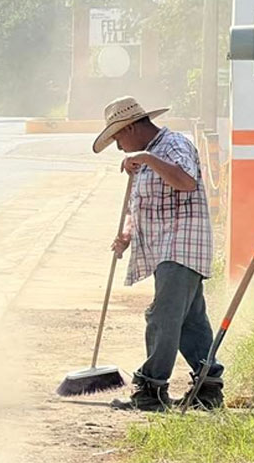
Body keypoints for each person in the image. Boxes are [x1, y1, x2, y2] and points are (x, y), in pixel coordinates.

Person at [93, 96, 223, 411]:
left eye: (118, 138)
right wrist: (126, 233)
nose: (119, 147)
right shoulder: (143, 159)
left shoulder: (173, 144)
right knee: (190, 322)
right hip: (164, 249)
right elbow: (138, 204)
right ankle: (208, 389)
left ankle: (151, 389)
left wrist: (147, 158)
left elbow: (186, 181)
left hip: (181, 246)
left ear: (132, 127)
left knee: (163, 315)